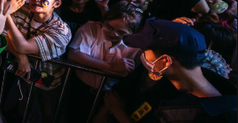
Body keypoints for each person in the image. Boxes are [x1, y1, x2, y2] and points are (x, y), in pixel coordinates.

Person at [95, 19, 237, 123]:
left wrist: (119, 113)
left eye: (145, 52)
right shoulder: (176, 82)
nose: (143, 57)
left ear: (165, 61)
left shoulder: (213, 114)